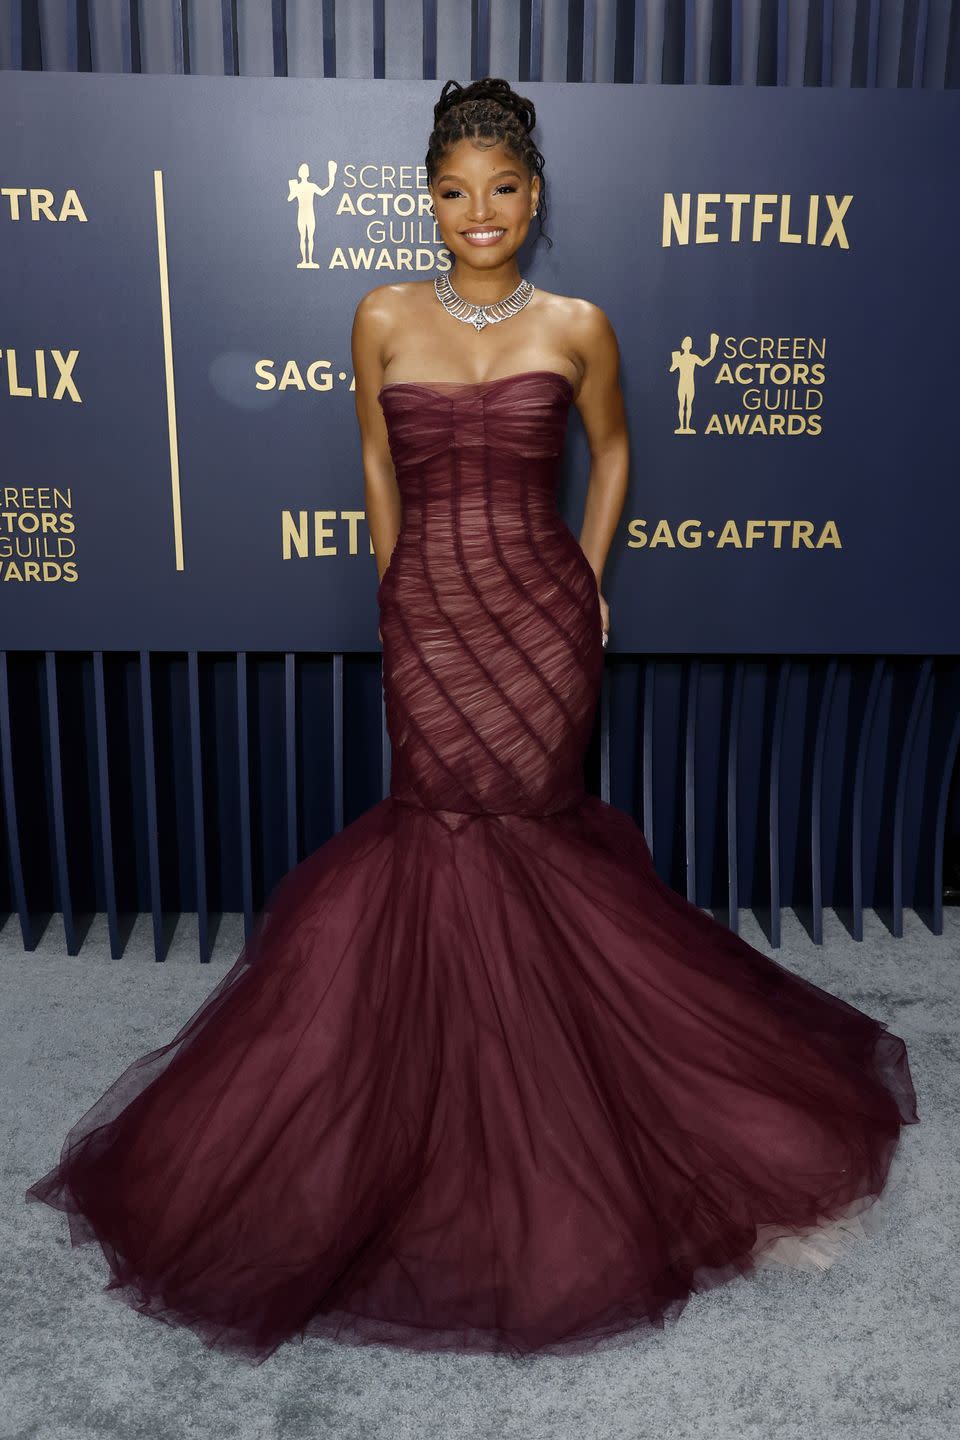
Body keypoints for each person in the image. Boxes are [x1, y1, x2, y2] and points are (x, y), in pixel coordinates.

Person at [25, 76, 918, 1367]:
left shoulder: (581, 325)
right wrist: (398, 594)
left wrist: (592, 584)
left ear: (534, 195)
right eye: (455, 191)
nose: (480, 212)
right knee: (435, 840)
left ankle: (561, 1130)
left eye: (503, 189)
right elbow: (380, 464)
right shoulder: (380, 316)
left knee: (527, 846)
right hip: (431, 627)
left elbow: (613, 454)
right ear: (428, 200)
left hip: (542, 628)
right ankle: (429, 1126)